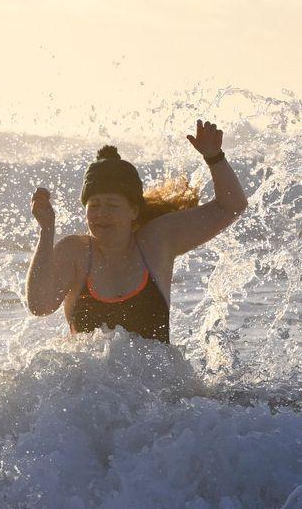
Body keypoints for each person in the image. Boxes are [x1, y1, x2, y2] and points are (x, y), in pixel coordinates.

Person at [25, 120, 248, 344]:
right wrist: (47, 230)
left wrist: (214, 157)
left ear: (133, 210)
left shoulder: (157, 242)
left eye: (112, 205)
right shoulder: (76, 252)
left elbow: (231, 206)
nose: (101, 214)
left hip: (154, 380)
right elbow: (39, 305)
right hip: (89, 380)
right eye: (94, 206)